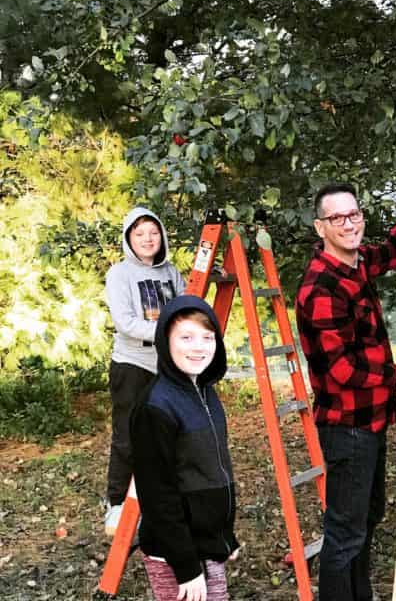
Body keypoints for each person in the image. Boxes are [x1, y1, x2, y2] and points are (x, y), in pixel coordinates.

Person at [295, 160, 396, 601]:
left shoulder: (357, 263)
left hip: (372, 422)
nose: (349, 224)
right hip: (348, 428)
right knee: (345, 532)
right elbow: (342, 371)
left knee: (366, 518)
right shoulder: (321, 287)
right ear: (320, 226)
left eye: (355, 214)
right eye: (337, 218)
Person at [130, 295, 239, 601]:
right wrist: (187, 567)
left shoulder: (204, 391)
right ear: (166, 341)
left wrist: (224, 537)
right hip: (175, 553)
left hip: (206, 543)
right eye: (186, 337)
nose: (199, 347)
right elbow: (157, 494)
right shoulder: (156, 406)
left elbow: (211, 470)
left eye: (207, 337)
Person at [104, 207, 186, 535]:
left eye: (153, 232)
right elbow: (125, 323)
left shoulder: (170, 273)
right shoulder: (120, 274)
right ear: (129, 239)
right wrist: (168, 331)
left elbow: (186, 305)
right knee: (128, 436)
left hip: (166, 366)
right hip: (132, 365)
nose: (147, 239)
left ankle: (156, 502)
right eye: (139, 234)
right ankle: (115, 504)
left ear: (162, 236)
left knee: (166, 438)